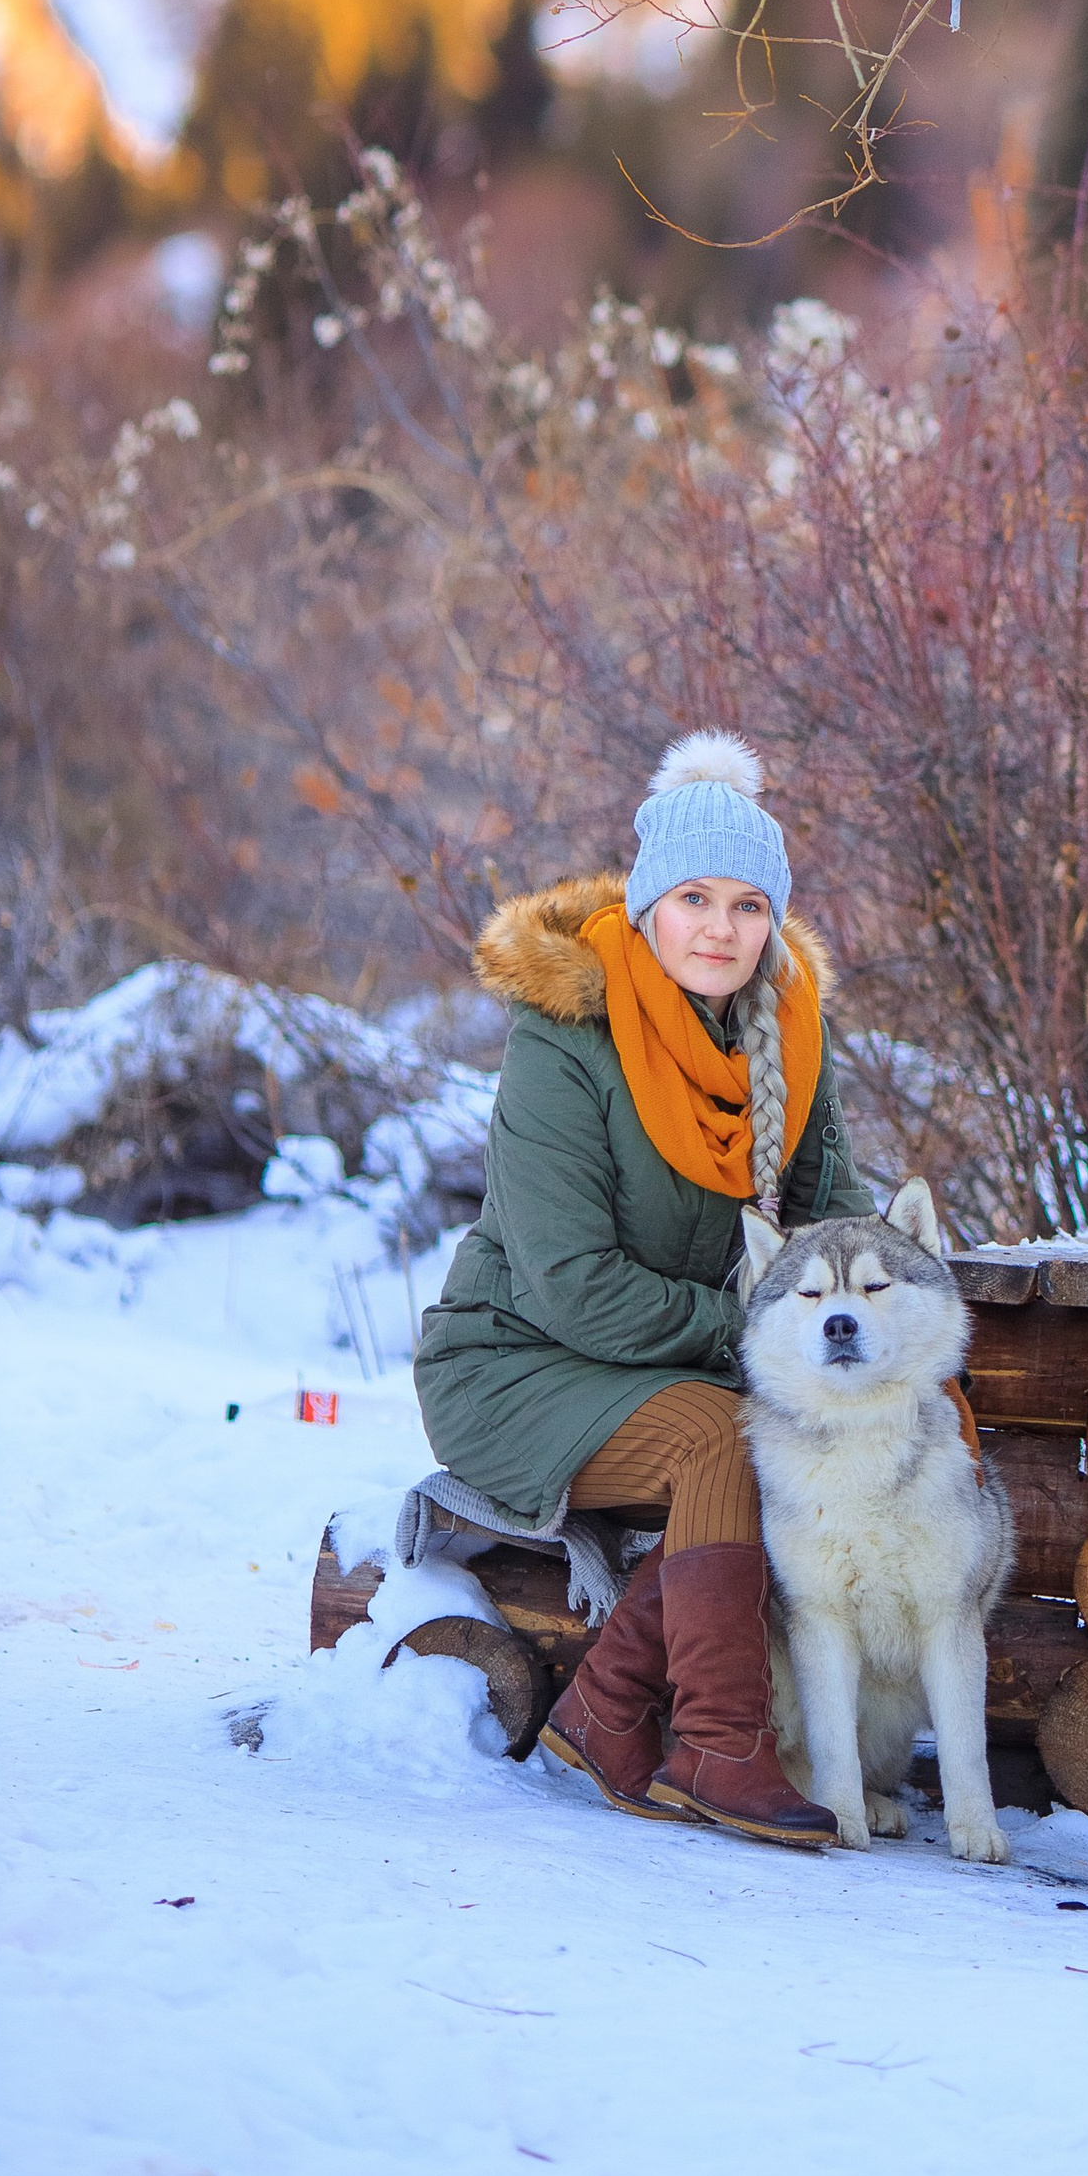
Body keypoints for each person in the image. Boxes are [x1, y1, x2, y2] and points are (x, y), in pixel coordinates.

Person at [414, 731, 869, 1850]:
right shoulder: (564, 1040)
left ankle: (606, 1709)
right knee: (726, 1437)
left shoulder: (786, 1033)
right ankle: (717, 1746)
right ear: (651, 903)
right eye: (697, 899)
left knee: (801, 1429)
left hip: (668, 1362)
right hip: (516, 1363)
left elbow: (831, 1229)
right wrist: (760, 1342)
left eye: (750, 905)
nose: (722, 928)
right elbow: (573, 1288)